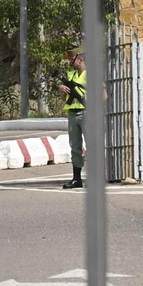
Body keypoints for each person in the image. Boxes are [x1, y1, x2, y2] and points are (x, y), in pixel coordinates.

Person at [59, 48, 86, 189]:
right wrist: (62, 91)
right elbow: (64, 98)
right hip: (72, 114)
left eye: (72, 59)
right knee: (75, 147)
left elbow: (103, 96)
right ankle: (77, 178)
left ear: (80, 59)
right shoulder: (70, 75)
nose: (70, 61)